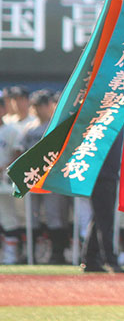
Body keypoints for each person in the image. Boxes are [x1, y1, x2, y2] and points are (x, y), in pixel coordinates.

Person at [19, 90, 71, 264]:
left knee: (55, 215)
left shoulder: (56, 125)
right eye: (35, 105)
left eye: (41, 105)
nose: (38, 109)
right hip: (33, 177)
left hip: (52, 177)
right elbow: (21, 151)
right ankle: (32, 254)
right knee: (32, 216)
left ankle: (58, 254)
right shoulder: (30, 128)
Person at [82, 132, 124, 273]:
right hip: (102, 176)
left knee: (99, 219)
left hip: (107, 175)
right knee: (105, 220)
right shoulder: (108, 122)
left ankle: (90, 258)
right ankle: (109, 259)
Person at [0, 95, 24, 264]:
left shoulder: (12, 130)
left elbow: (18, 154)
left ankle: (11, 253)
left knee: (8, 217)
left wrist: (3, 168)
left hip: (4, 180)